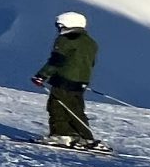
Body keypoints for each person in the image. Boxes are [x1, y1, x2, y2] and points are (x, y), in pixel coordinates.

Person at [32, 10, 102, 148]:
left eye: (60, 26)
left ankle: (63, 135)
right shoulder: (90, 42)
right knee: (75, 107)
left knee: (57, 106)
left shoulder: (65, 40)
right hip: (81, 80)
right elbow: (90, 62)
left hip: (64, 79)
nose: (59, 29)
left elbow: (56, 60)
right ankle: (80, 136)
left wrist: (41, 76)